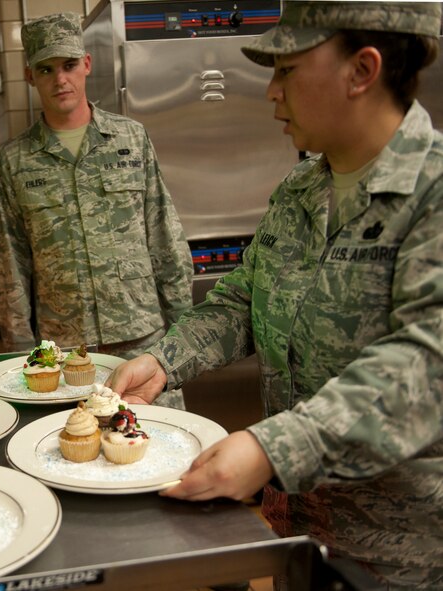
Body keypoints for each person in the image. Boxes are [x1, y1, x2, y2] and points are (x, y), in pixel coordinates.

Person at [106, 1, 442, 588]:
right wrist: (165, 359)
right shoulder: (302, 187)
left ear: (361, 71)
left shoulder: (431, 193)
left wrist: (270, 449)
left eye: (287, 69)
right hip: (296, 526)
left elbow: (423, 364)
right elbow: (243, 300)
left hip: (400, 549)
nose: (270, 91)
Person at [0, 13, 194, 394]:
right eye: (46, 69)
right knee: (75, 446)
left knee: (158, 442)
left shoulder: (130, 139)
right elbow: (9, 264)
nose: (60, 79)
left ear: (86, 64)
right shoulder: (16, 160)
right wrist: (19, 353)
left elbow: (164, 234)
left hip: (143, 339)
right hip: (67, 350)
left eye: (68, 65)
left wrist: (182, 331)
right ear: (30, 75)